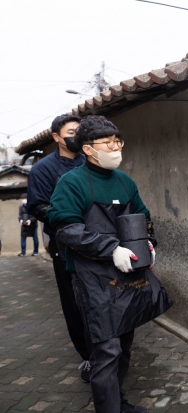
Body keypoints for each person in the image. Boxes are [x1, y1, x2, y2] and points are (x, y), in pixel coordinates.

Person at [48, 115, 173, 413]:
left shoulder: (125, 181)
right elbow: (66, 229)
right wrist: (110, 248)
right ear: (88, 149)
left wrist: (149, 246)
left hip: (127, 273)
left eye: (118, 141)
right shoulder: (71, 182)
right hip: (91, 276)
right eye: (108, 143)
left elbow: (143, 218)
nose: (116, 148)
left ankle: (119, 402)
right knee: (107, 347)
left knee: (125, 341)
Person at [26, 114, 90, 380]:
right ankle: (88, 357)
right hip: (65, 247)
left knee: (101, 300)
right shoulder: (43, 169)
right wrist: (69, 217)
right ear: (56, 137)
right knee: (74, 303)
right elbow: (38, 206)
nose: (77, 136)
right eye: (72, 132)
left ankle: (110, 351)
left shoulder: (91, 161)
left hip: (98, 244)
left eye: (81, 131)